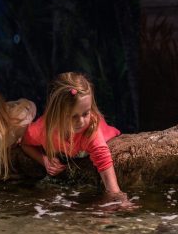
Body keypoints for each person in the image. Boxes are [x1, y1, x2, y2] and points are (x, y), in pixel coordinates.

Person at [22, 72, 128, 203]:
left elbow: (103, 159)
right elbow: (24, 143)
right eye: (73, 116)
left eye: (86, 113)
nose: (81, 121)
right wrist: (44, 160)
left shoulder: (90, 129)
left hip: (107, 135)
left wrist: (116, 196)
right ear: (57, 114)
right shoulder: (43, 129)